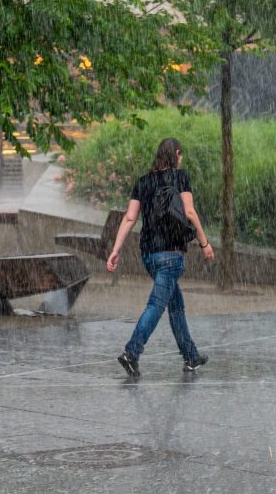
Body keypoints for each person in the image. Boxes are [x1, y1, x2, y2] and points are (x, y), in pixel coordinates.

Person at [107, 138, 215, 377]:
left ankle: (191, 355)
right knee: (156, 305)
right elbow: (188, 211)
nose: (182, 159)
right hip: (171, 254)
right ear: (176, 154)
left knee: (175, 305)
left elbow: (129, 218)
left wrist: (116, 249)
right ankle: (131, 353)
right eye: (181, 155)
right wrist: (204, 243)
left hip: (149, 255)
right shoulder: (180, 177)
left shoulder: (143, 182)